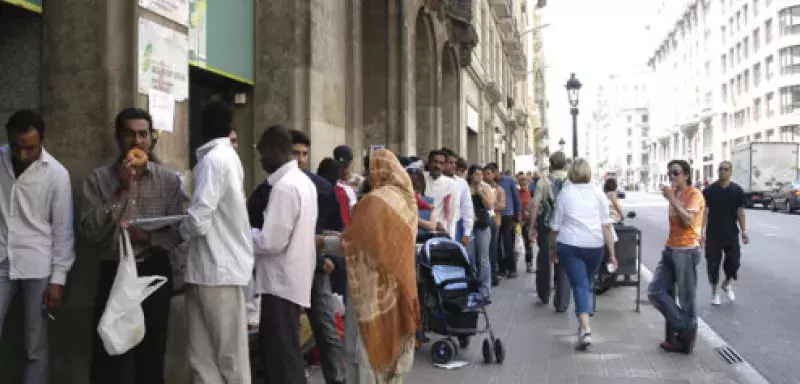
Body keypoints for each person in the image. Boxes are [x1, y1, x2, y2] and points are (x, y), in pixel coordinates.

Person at [81, 108, 185, 384]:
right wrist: (122, 191)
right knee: (109, 351)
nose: (137, 141)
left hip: (153, 269)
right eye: (129, 134)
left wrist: (148, 238)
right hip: (113, 269)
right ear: (118, 138)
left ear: (151, 139)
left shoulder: (168, 180)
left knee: (151, 353)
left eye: (143, 134)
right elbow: (90, 231)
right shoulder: (99, 179)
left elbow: (179, 234)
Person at [179, 101, 253, 383]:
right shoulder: (226, 157)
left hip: (219, 270)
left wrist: (175, 231)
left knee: (225, 358)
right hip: (207, 270)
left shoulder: (214, 160)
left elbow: (198, 219)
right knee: (204, 358)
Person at [0, 110, 74, 384]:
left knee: (35, 346)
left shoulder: (57, 174)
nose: (22, 154)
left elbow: (63, 231)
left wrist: (58, 279)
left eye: (30, 148)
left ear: (42, 140)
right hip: (1, 258)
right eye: (17, 146)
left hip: (38, 265)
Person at [341, 149, 419, 383]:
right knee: (394, 338)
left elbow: (357, 243)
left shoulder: (375, 201)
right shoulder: (408, 200)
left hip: (373, 288)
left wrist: (323, 241)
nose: (367, 174)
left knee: (366, 348)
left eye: (369, 169)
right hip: (400, 284)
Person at [250, 125, 318, 384]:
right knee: (283, 353)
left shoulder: (285, 188)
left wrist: (242, 232)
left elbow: (271, 242)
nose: (260, 159)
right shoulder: (303, 182)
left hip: (280, 283)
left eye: (262, 152)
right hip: (292, 280)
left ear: (275, 150)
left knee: (282, 359)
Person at [289, 129, 346, 384]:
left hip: (316, 267)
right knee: (287, 333)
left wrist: (325, 255)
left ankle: (337, 379)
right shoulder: (270, 187)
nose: (300, 159)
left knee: (326, 329)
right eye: (295, 153)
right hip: (284, 271)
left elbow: (335, 228)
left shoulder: (322, 188)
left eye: (304, 154)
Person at [548, 159, 617, 350]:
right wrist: (612, 253)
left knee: (579, 285)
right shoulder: (598, 194)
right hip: (594, 245)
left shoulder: (565, 193)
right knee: (587, 283)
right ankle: (583, 322)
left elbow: (555, 227)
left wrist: (552, 249)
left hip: (570, 245)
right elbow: (606, 225)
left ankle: (585, 328)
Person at [648, 159, 705, 354]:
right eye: (669, 173)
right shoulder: (678, 194)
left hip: (686, 250)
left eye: (676, 173)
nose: (672, 176)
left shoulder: (694, 194)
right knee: (656, 291)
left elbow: (689, 220)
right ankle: (686, 327)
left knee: (686, 298)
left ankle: (683, 339)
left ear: (686, 175)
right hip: (671, 248)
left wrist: (672, 198)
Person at [703, 160, 748, 306]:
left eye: (725, 169)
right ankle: (714, 293)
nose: (722, 171)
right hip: (713, 234)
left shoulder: (737, 190)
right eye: (720, 169)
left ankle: (727, 282)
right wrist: (700, 232)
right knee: (713, 264)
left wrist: (744, 231)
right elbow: (704, 212)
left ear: (731, 172)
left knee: (734, 262)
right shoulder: (710, 190)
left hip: (731, 233)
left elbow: (740, 212)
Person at [530, 151, 571, 311]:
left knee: (545, 260)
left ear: (551, 163)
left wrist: (532, 226)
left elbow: (535, 204)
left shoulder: (544, 181)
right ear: (565, 164)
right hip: (566, 228)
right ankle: (561, 302)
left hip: (547, 226)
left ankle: (544, 293)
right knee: (564, 263)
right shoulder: (570, 181)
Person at [484, 163, 521, 278]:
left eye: (490, 173)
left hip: (508, 214)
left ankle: (512, 268)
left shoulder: (509, 180)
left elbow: (516, 197)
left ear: (496, 171)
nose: (488, 175)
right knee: (497, 242)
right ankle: (501, 268)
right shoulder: (488, 184)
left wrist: (518, 213)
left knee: (507, 241)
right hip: (495, 216)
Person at [467, 165, 494, 298]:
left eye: (481, 174)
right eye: (476, 174)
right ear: (471, 175)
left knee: (483, 258)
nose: (479, 177)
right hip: (469, 226)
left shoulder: (485, 187)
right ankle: (473, 285)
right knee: (470, 257)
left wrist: (479, 192)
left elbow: (489, 205)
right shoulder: (465, 187)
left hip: (482, 225)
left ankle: (485, 288)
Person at [440, 148, 474, 247]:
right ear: (444, 164)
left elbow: (467, 208)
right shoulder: (433, 181)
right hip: (438, 226)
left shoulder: (461, 183)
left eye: (455, 163)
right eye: (450, 163)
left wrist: (466, 233)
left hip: (457, 226)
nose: (454, 166)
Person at [423, 150, 458, 238]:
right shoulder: (420, 178)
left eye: (441, 163)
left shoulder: (451, 184)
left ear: (445, 165)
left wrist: (451, 236)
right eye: (435, 162)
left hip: (440, 230)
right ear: (429, 163)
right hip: (421, 227)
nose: (437, 166)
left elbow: (452, 213)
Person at [483, 166, 504, 286]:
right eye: (484, 173)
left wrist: (489, 206)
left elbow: (502, 206)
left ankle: (493, 275)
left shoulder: (499, 189)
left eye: (488, 173)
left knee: (493, 248)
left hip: (495, 221)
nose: (486, 176)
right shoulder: (480, 188)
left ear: (493, 175)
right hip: (483, 222)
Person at [517, 173, 534, 273]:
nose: (523, 182)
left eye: (525, 180)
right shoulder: (516, 192)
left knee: (528, 244)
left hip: (527, 222)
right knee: (515, 243)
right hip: (518, 222)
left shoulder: (532, 193)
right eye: (521, 180)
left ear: (528, 181)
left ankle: (529, 264)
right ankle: (513, 264)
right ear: (518, 182)